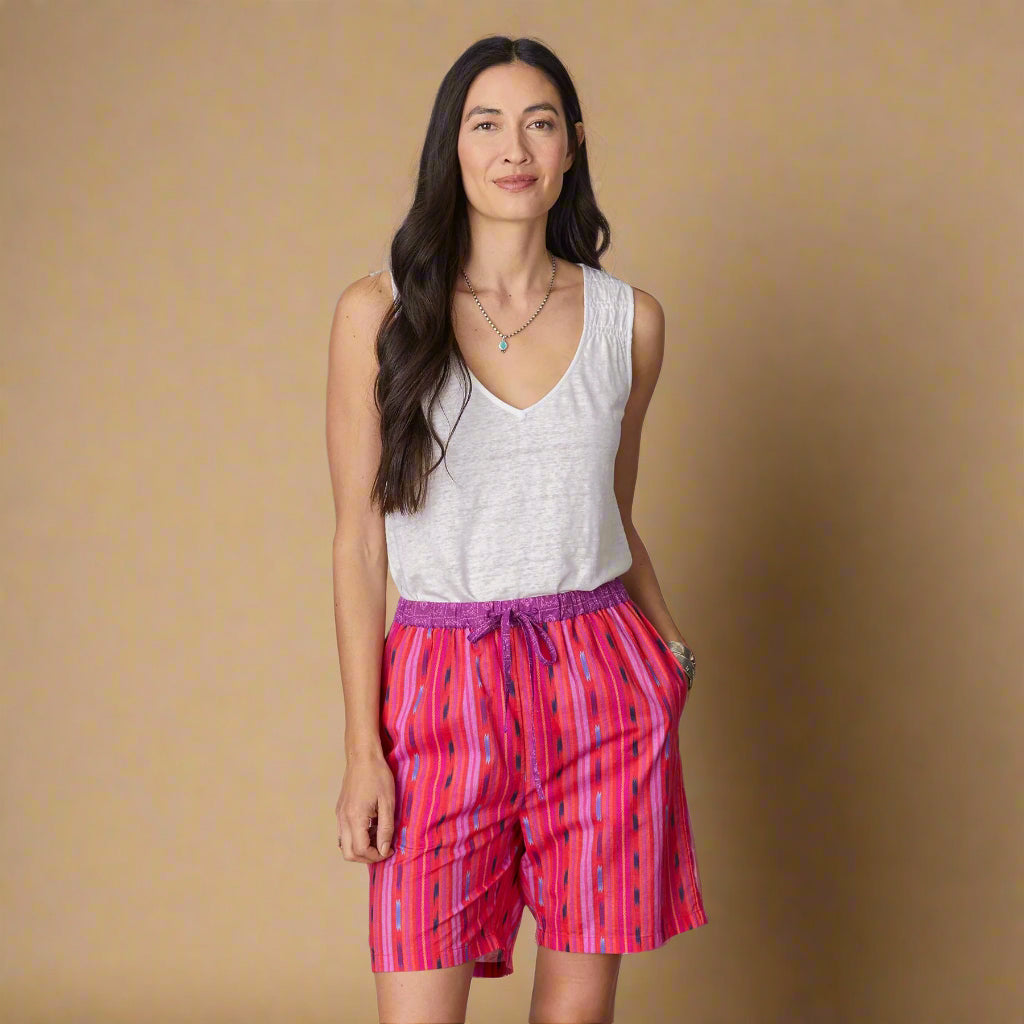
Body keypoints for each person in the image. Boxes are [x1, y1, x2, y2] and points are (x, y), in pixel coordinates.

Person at [326, 34, 707, 1024]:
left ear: (571, 146)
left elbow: (611, 512)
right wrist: (364, 749)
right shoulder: (378, 314)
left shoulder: (630, 322)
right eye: (485, 123)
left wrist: (669, 652)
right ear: (450, 147)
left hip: (599, 679)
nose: (513, 147)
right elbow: (359, 542)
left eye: (539, 123)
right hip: (439, 682)